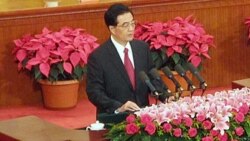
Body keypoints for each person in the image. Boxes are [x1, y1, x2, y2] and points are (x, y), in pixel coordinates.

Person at [86, 3, 172, 123]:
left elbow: (151, 77)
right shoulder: (98, 57)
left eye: (132, 23)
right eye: (125, 25)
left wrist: (165, 96)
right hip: (115, 120)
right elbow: (94, 91)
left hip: (144, 118)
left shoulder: (142, 48)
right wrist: (119, 107)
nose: (131, 29)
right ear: (112, 29)